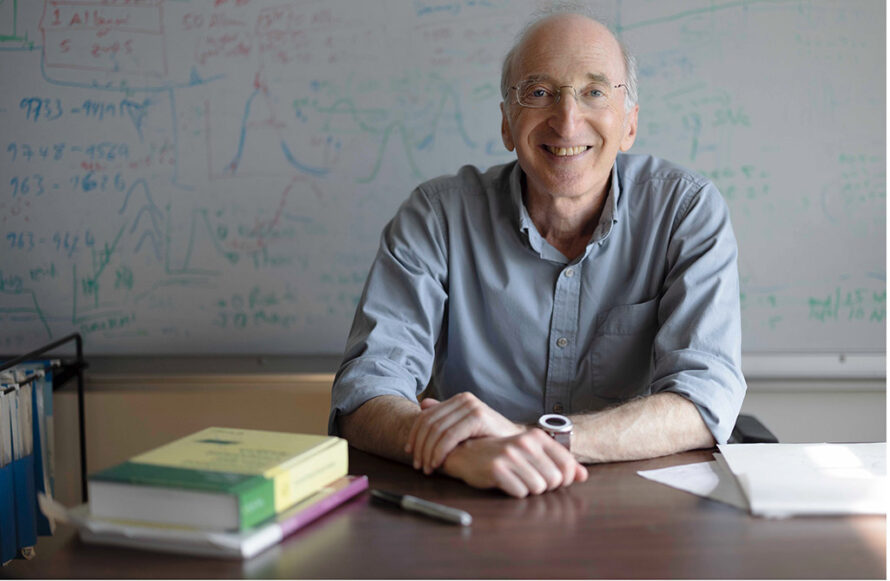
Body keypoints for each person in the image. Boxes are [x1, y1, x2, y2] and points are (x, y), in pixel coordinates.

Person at [328, 7, 747, 498]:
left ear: (629, 124)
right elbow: (363, 393)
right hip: (475, 498)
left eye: (594, 92)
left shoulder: (686, 211)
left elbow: (704, 401)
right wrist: (464, 452)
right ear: (507, 124)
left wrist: (535, 440)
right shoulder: (436, 216)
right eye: (540, 92)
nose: (567, 122)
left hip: (636, 508)